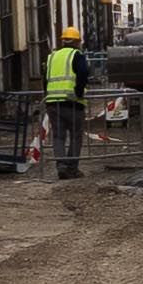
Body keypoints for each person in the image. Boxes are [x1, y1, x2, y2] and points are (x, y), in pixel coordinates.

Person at [43, 24, 91, 180]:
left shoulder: (52, 57)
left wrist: (48, 94)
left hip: (52, 102)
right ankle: (72, 168)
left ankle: (61, 167)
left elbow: (45, 79)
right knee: (76, 135)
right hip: (72, 102)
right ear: (77, 42)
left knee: (58, 136)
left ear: (63, 41)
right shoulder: (77, 55)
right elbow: (83, 73)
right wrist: (78, 91)